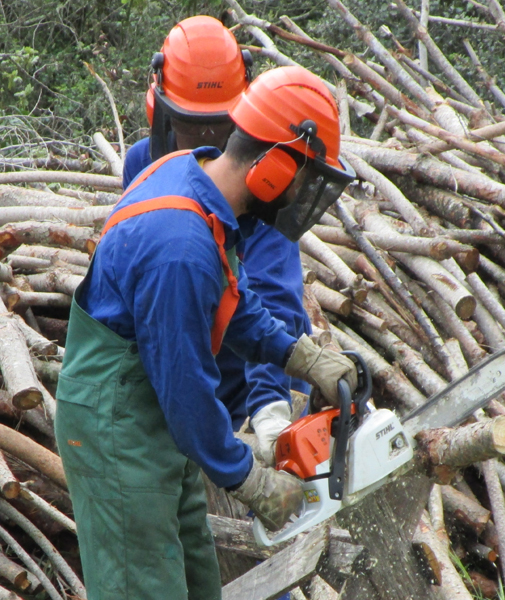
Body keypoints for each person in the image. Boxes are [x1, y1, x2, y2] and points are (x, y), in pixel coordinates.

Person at [56, 66, 357, 599]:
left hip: (151, 417)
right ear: (274, 169)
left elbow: (230, 300)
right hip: (117, 424)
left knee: (197, 580)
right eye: (304, 181)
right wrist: (250, 479)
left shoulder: (194, 179)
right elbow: (187, 388)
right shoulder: (181, 244)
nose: (300, 198)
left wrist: (300, 356)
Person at [124, 15, 312, 466]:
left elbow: (268, 294)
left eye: (219, 126)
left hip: (255, 368)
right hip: (184, 365)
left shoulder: (260, 181)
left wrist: (269, 404)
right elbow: (162, 316)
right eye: (193, 126)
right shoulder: (143, 166)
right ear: (163, 113)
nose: (207, 140)